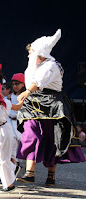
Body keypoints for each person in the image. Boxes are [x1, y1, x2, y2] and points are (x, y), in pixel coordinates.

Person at [16, 29, 85, 186]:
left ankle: (51, 175)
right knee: (30, 134)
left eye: (31, 52)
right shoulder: (32, 65)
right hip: (33, 103)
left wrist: (26, 92)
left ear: (39, 53)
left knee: (52, 139)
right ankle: (29, 173)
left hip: (51, 103)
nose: (29, 55)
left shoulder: (52, 65)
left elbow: (40, 81)